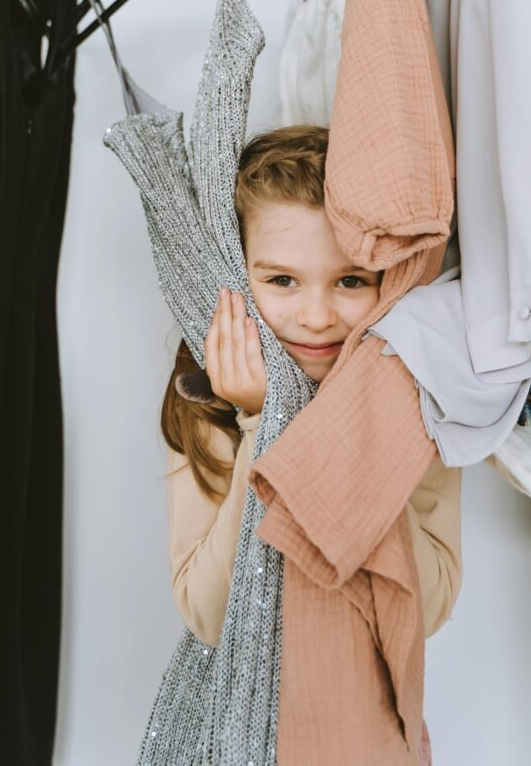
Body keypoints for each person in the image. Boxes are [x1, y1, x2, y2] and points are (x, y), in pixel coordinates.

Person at [160, 123, 462, 674]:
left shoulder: (419, 395)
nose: (317, 317)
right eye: (281, 281)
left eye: (350, 281)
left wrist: (349, 416)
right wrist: (264, 421)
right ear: (236, 276)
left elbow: (429, 607)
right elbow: (208, 616)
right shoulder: (206, 402)